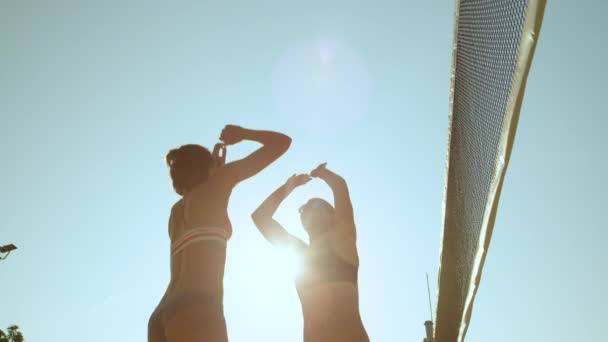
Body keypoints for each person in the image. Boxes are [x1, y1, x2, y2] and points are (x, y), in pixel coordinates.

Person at [149, 125, 291, 342]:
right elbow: (281, 142)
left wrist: (213, 170)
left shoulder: (175, 212)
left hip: (160, 316)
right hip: (198, 307)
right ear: (207, 168)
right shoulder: (219, 182)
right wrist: (244, 134)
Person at [251, 163, 369, 342]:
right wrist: (288, 187)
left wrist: (324, 173)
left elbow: (340, 186)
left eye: (313, 205)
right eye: (303, 209)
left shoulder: (344, 244)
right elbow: (260, 217)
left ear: (332, 216)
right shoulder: (299, 254)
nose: (306, 210)